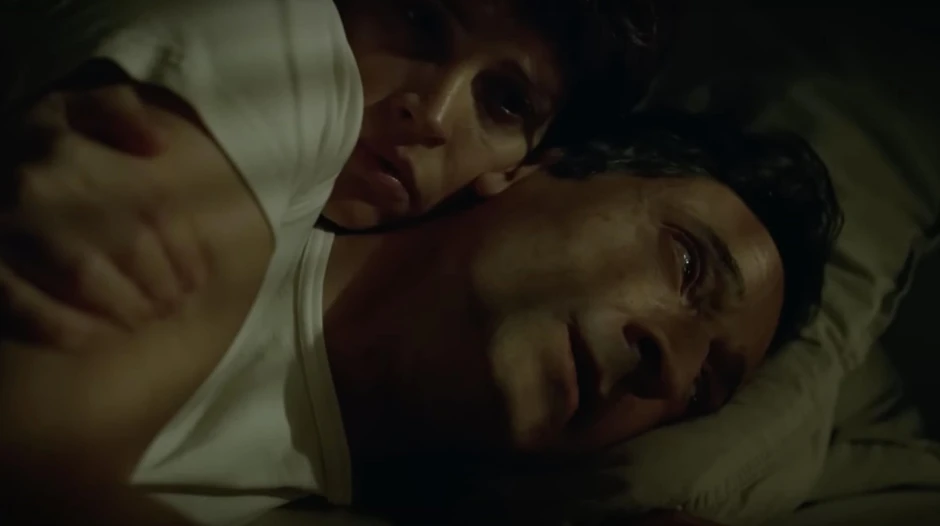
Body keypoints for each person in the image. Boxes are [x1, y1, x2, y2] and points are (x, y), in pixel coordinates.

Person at [0, 78, 842, 525]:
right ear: (536, 168)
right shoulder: (242, 135)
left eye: (702, 392)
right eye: (687, 264)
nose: (671, 368)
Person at [0, 0, 679, 344]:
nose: (433, 114)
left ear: (520, 165)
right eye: (418, 21)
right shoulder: (267, 32)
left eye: (504, 102)